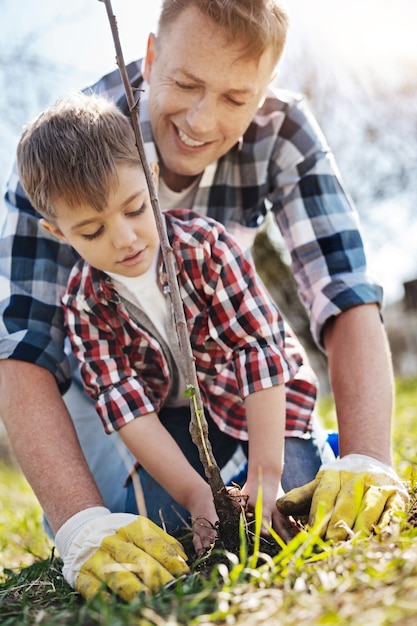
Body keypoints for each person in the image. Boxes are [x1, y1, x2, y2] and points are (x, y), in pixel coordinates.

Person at [0, 0, 407, 601]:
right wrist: (80, 519)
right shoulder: (68, 155)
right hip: (118, 378)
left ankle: (310, 453)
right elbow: (24, 346)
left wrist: (369, 458)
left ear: (265, 89)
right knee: (150, 522)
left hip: (228, 366)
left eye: (235, 99)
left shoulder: (283, 135)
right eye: (186, 83)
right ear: (151, 55)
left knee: (297, 485)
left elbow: (341, 291)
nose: (200, 120)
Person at [16, 90, 318, 558]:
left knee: (296, 493)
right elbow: (128, 410)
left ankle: (298, 454)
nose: (124, 238)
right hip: (177, 420)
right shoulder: (83, 304)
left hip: (256, 399)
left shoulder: (206, 248)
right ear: (59, 233)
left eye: (136, 208)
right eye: (92, 231)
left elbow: (257, 356)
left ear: (152, 180)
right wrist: (197, 495)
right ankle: (214, 486)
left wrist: (266, 474)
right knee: (164, 516)